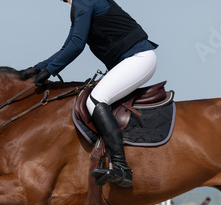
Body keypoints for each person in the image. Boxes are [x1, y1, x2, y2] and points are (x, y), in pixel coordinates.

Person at [18, 0, 158, 188]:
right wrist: (38, 68)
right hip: (132, 60)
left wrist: (50, 70)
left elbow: (77, 45)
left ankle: (121, 167)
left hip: (138, 59)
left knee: (95, 100)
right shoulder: (80, 5)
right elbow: (68, 45)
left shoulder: (83, 2)